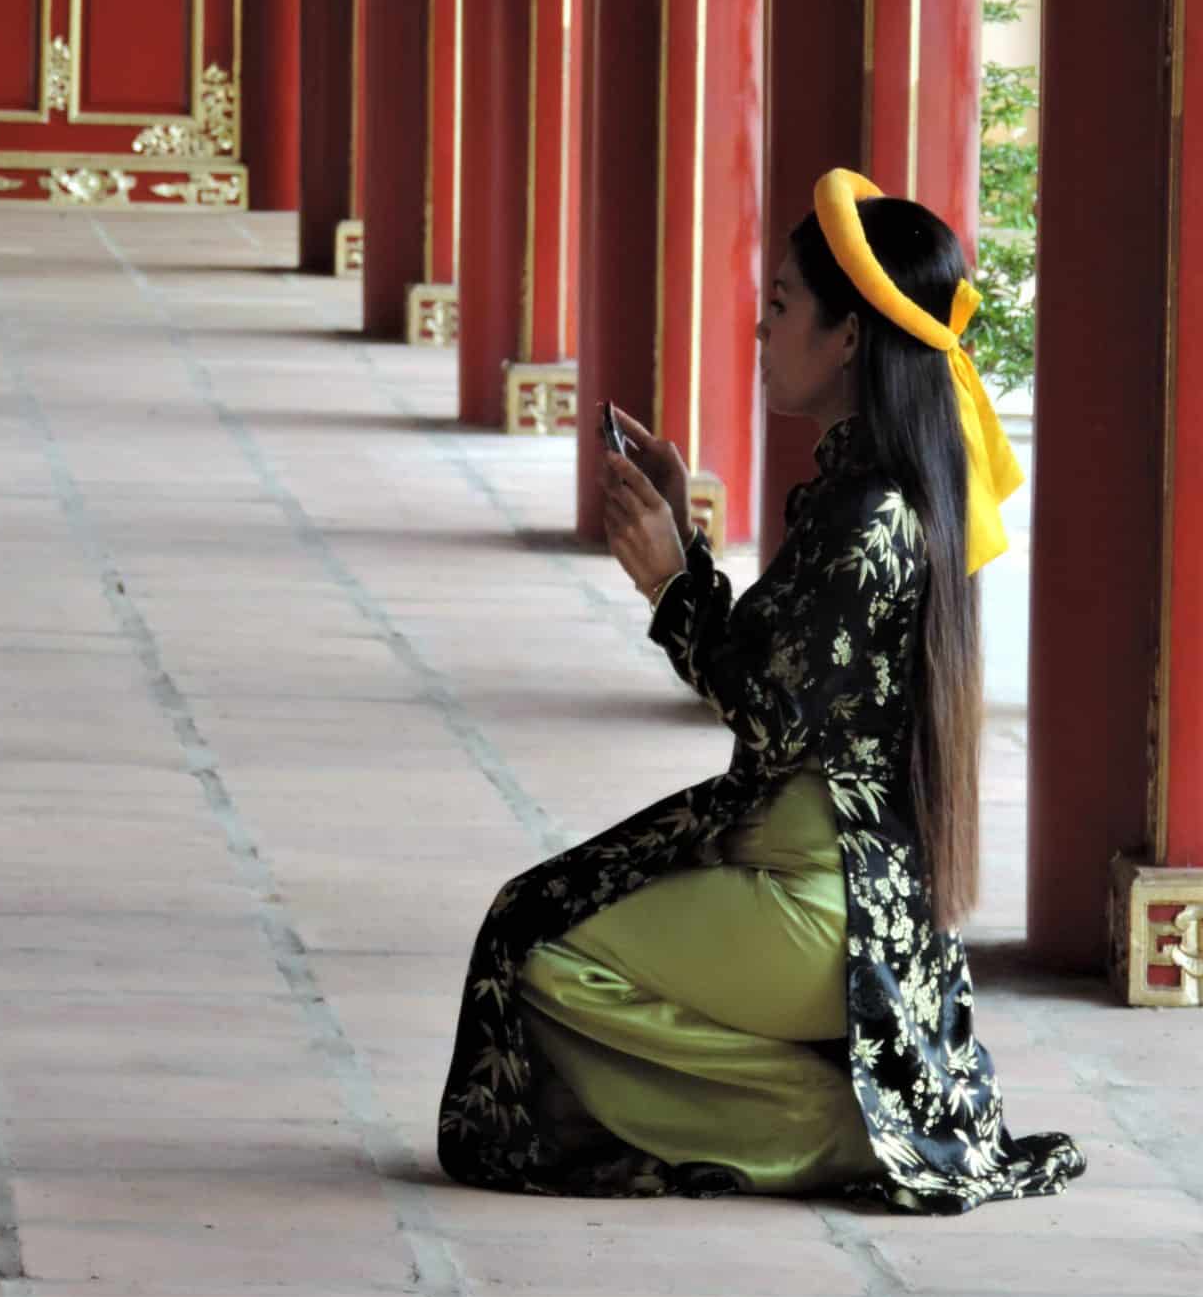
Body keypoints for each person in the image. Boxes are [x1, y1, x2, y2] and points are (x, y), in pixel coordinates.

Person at [437, 169, 1085, 1212]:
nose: (760, 323)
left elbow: (767, 711)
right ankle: (832, 1108)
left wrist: (664, 578)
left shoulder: (876, 510)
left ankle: (836, 1126)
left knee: (544, 959)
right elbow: (781, 665)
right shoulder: (868, 483)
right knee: (532, 912)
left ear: (849, 338)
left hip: (820, 901)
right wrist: (687, 546)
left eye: (782, 302)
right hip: (816, 865)